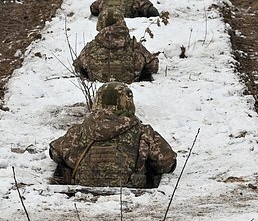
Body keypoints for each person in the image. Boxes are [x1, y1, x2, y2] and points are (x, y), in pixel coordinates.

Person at [49, 82, 177, 188]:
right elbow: (167, 162)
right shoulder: (144, 132)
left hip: (82, 194)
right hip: (130, 195)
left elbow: (55, 152)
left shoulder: (78, 131)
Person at [73, 11, 159, 82]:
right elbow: (153, 65)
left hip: (98, 88)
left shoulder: (91, 47)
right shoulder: (135, 46)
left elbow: (78, 66)